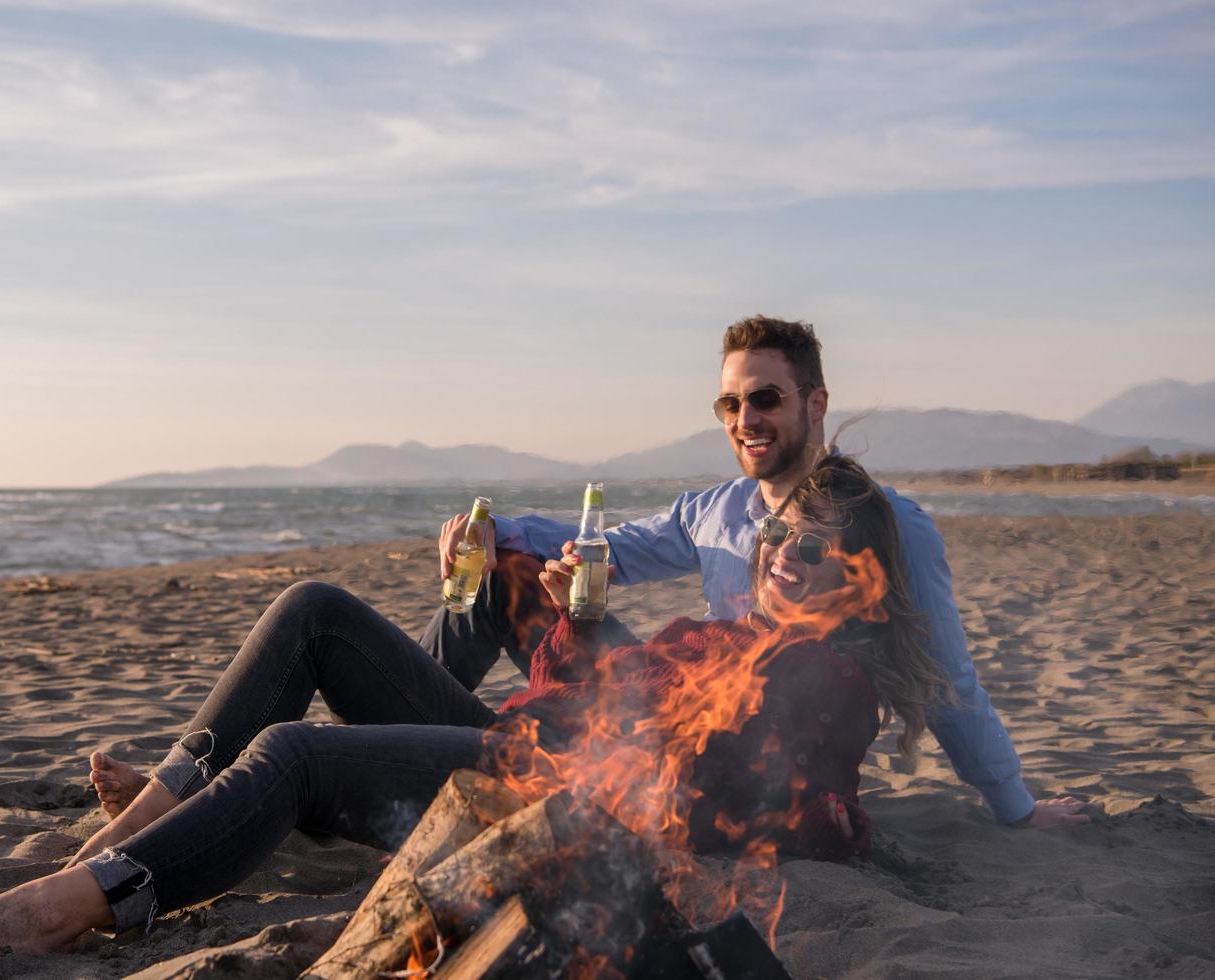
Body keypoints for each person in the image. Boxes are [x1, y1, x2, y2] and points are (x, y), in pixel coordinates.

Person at [0, 455, 938, 953]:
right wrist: (565, 624)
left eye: (810, 546)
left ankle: (76, 901)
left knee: (295, 753)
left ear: (862, 577)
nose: (779, 556)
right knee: (313, 608)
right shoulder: (744, 639)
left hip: (543, 793)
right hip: (536, 748)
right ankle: (152, 813)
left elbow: (741, 787)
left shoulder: (827, 675)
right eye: (776, 537)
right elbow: (622, 706)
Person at [422, 316, 1088, 830]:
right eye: (727, 405)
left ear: (815, 402)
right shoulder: (716, 510)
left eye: (764, 398)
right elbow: (602, 548)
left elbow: (945, 677)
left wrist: (1015, 809)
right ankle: (414, 725)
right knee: (499, 578)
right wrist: (497, 531)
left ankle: (416, 753)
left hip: (743, 754)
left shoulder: (884, 525)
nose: (744, 421)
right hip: (671, 693)